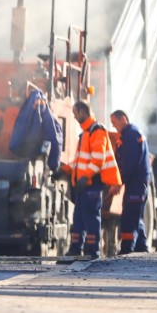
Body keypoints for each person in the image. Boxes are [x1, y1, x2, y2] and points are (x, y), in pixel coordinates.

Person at [59, 101, 122, 259]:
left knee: (91, 216)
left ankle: (92, 252)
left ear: (82, 112)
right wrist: (64, 170)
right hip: (84, 184)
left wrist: (85, 176)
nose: (73, 116)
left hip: (92, 183)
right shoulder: (86, 133)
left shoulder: (97, 131)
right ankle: (75, 250)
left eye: (75, 113)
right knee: (79, 217)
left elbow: (98, 159)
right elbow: (80, 160)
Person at [110, 109, 153, 254]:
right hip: (138, 183)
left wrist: (118, 183)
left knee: (129, 216)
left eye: (115, 123)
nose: (114, 127)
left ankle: (127, 250)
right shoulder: (131, 133)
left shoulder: (130, 135)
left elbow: (129, 164)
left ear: (123, 118)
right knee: (136, 216)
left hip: (136, 183)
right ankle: (141, 249)